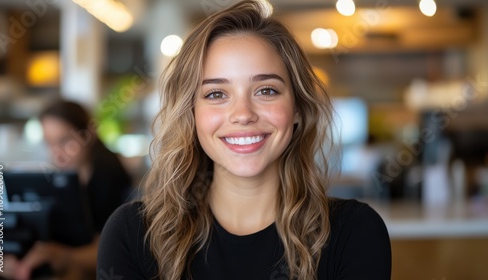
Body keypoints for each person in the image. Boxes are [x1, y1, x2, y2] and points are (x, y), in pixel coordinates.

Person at [98, 1, 391, 279]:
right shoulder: (133, 235)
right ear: (191, 113)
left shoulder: (354, 232)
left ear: (298, 108)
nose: (243, 114)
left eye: (266, 90)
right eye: (216, 94)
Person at [4, 100, 132, 280]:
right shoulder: (63, 180)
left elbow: (114, 249)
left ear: (88, 134)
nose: (56, 153)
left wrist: (64, 256)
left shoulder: (110, 177)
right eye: (49, 143)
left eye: (65, 141)